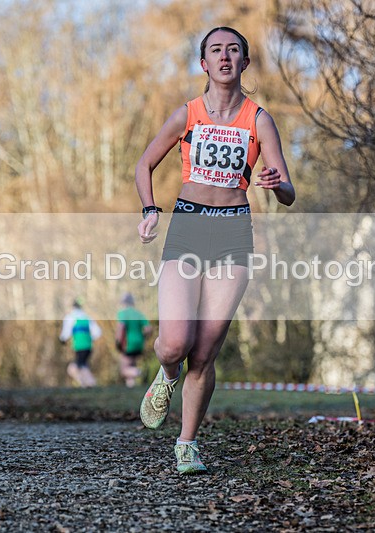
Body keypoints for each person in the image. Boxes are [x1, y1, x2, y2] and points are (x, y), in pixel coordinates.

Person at [135, 27, 295, 474]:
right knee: (175, 344)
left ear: (244, 62)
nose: (225, 57)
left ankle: (186, 444)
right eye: (215, 51)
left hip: (232, 236)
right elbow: (144, 164)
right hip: (187, 227)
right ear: (204, 64)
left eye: (234, 50)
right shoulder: (187, 114)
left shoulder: (259, 120)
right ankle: (165, 375)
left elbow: (287, 190)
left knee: (204, 354)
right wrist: (150, 208)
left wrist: (275, 182)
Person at [59, 299, 101, 387]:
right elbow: (97, 332)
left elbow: (66, 333)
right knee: (82, 364)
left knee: (77, 367)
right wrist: (90, 339)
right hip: (88, 346)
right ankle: (86, 384)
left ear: (73, 307)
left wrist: (63, 339)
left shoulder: (71, 317)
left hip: (78, 346)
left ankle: (91, 383)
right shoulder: (87, 317)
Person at [116, 292, 152, 388]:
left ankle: (139, 372)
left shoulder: (123, 313)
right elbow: (148, 329)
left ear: (124, 303)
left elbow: (121, 327)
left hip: (127, 344)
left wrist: (118, 342)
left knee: (124, 370)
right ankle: (130, 386)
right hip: (139, 343)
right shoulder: (138, 314)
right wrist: (143, 337)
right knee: (131, 364)